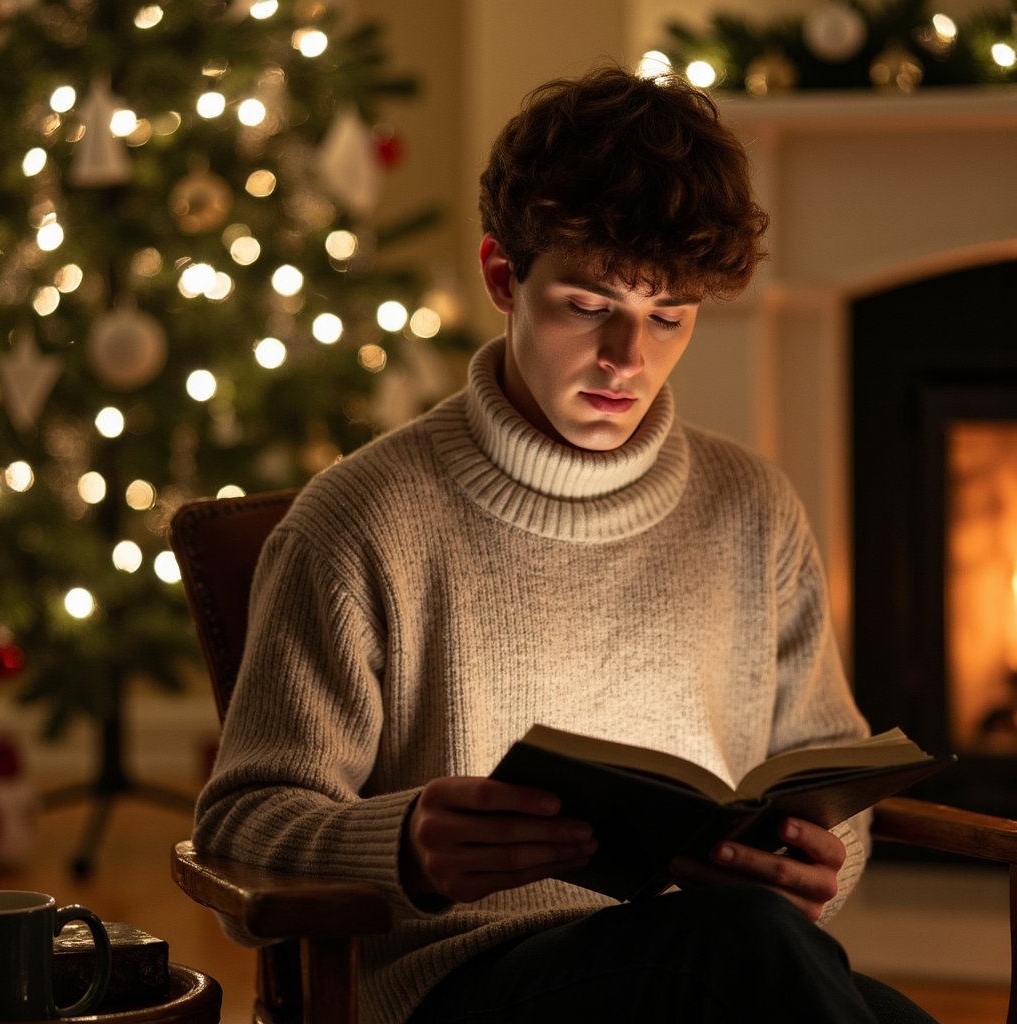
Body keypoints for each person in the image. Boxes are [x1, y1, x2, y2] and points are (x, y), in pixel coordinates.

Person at [193, 65, 936, 1023]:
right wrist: (405, 843)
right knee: (755, 953)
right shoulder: (361, 521)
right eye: (590, 308)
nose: (629, 360)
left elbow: (831, 771)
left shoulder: (752, 507)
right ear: (503, 275)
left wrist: (816, 862)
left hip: (722, 964)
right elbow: (241, 821)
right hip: (466, 985)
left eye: (669, 318)